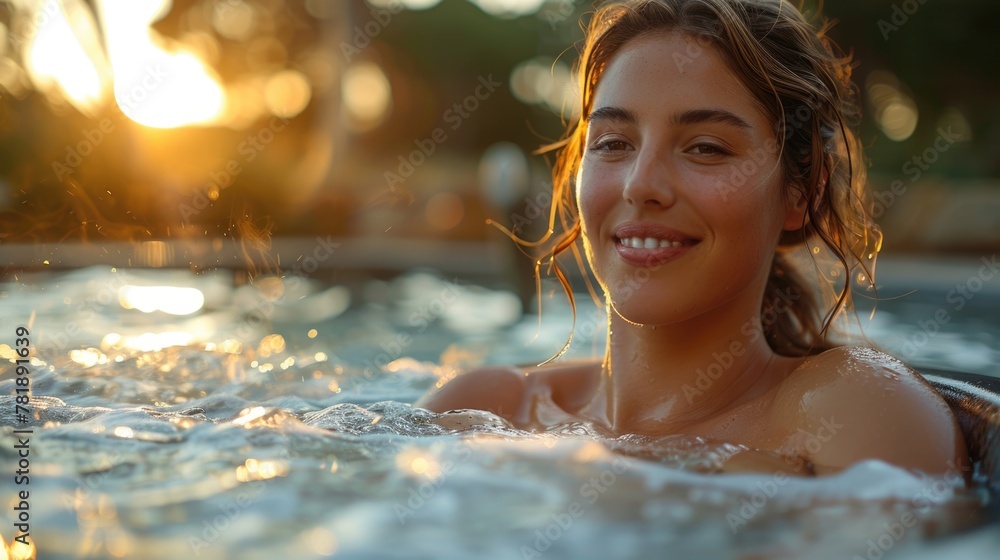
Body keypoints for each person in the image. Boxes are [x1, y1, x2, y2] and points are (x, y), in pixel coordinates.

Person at [416, 0, 968, 477]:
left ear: (800, 192)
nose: (641, 185)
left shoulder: (852, 411)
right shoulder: (481, 410)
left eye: (706, 147)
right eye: (612, 143)